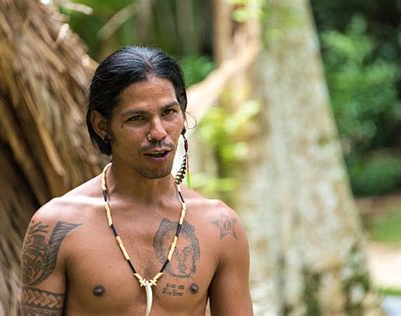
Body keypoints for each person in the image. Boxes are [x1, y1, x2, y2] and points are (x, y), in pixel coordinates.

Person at [20, 46, 253, 315]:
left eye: (168, 113)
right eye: (137, 118)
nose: (158, 132)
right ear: (101, 125)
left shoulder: (220, 226)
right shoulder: (56, 226)